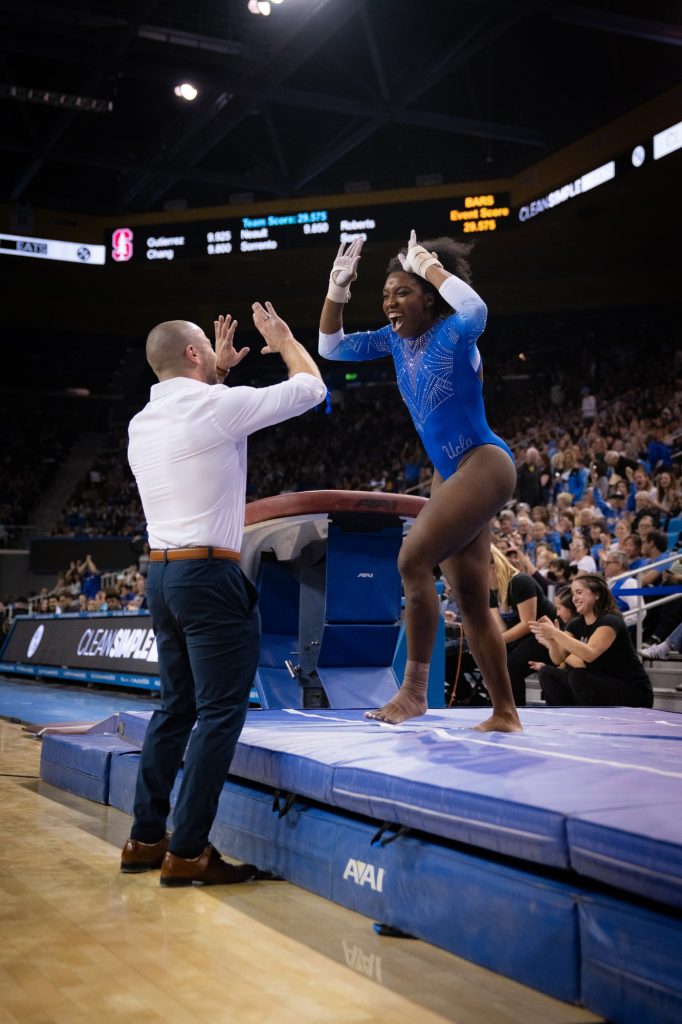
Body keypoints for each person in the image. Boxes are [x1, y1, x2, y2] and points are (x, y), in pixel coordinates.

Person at [121, 302, 326, 885]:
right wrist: (285, 340)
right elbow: (310, 389)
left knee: (175, 708)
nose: (215, 354)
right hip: (209, 579)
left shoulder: (142, 422)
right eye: (205, 350)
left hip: (161, 576)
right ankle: (188, 851)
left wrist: (218, 374)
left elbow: (203, 420)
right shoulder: (214, 406)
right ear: (192, 353)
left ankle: (145, 837)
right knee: (218, 713)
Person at [318, 231, 521, 732]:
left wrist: (427, 265)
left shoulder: (453, 330)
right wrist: (336, 291)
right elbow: (331, 348)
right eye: (385, 294)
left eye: (402, 292)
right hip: (450, 474)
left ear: (428, 298)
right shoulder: (391, 340)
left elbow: (477, 311)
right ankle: (505, 713)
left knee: (412, 558)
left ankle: (412, 692)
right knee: (471, 596)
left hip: (484, 461)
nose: (390, 301)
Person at [528, 574, 653, 707]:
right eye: (573, 593)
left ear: (597, 594)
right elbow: (558, 659)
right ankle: (564, 719)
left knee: (577, 676)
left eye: (579, 592)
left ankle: (590, 721)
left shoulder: (610, 621)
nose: (574, 598)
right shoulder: (575, 624)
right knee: (547, 673)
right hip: (600, 685)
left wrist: (556, 633)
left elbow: (589, 654)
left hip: (631, 691)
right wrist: (552, 641)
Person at [489, 545, 557, 706]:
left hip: (546, 635)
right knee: (491, 659)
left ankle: (515, 711)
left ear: (493, 566)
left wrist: (495, 641)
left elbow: (528, 623)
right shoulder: (490, 590)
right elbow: (501, 629)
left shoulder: (520, 581)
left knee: (510, 665)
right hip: (524, 637)